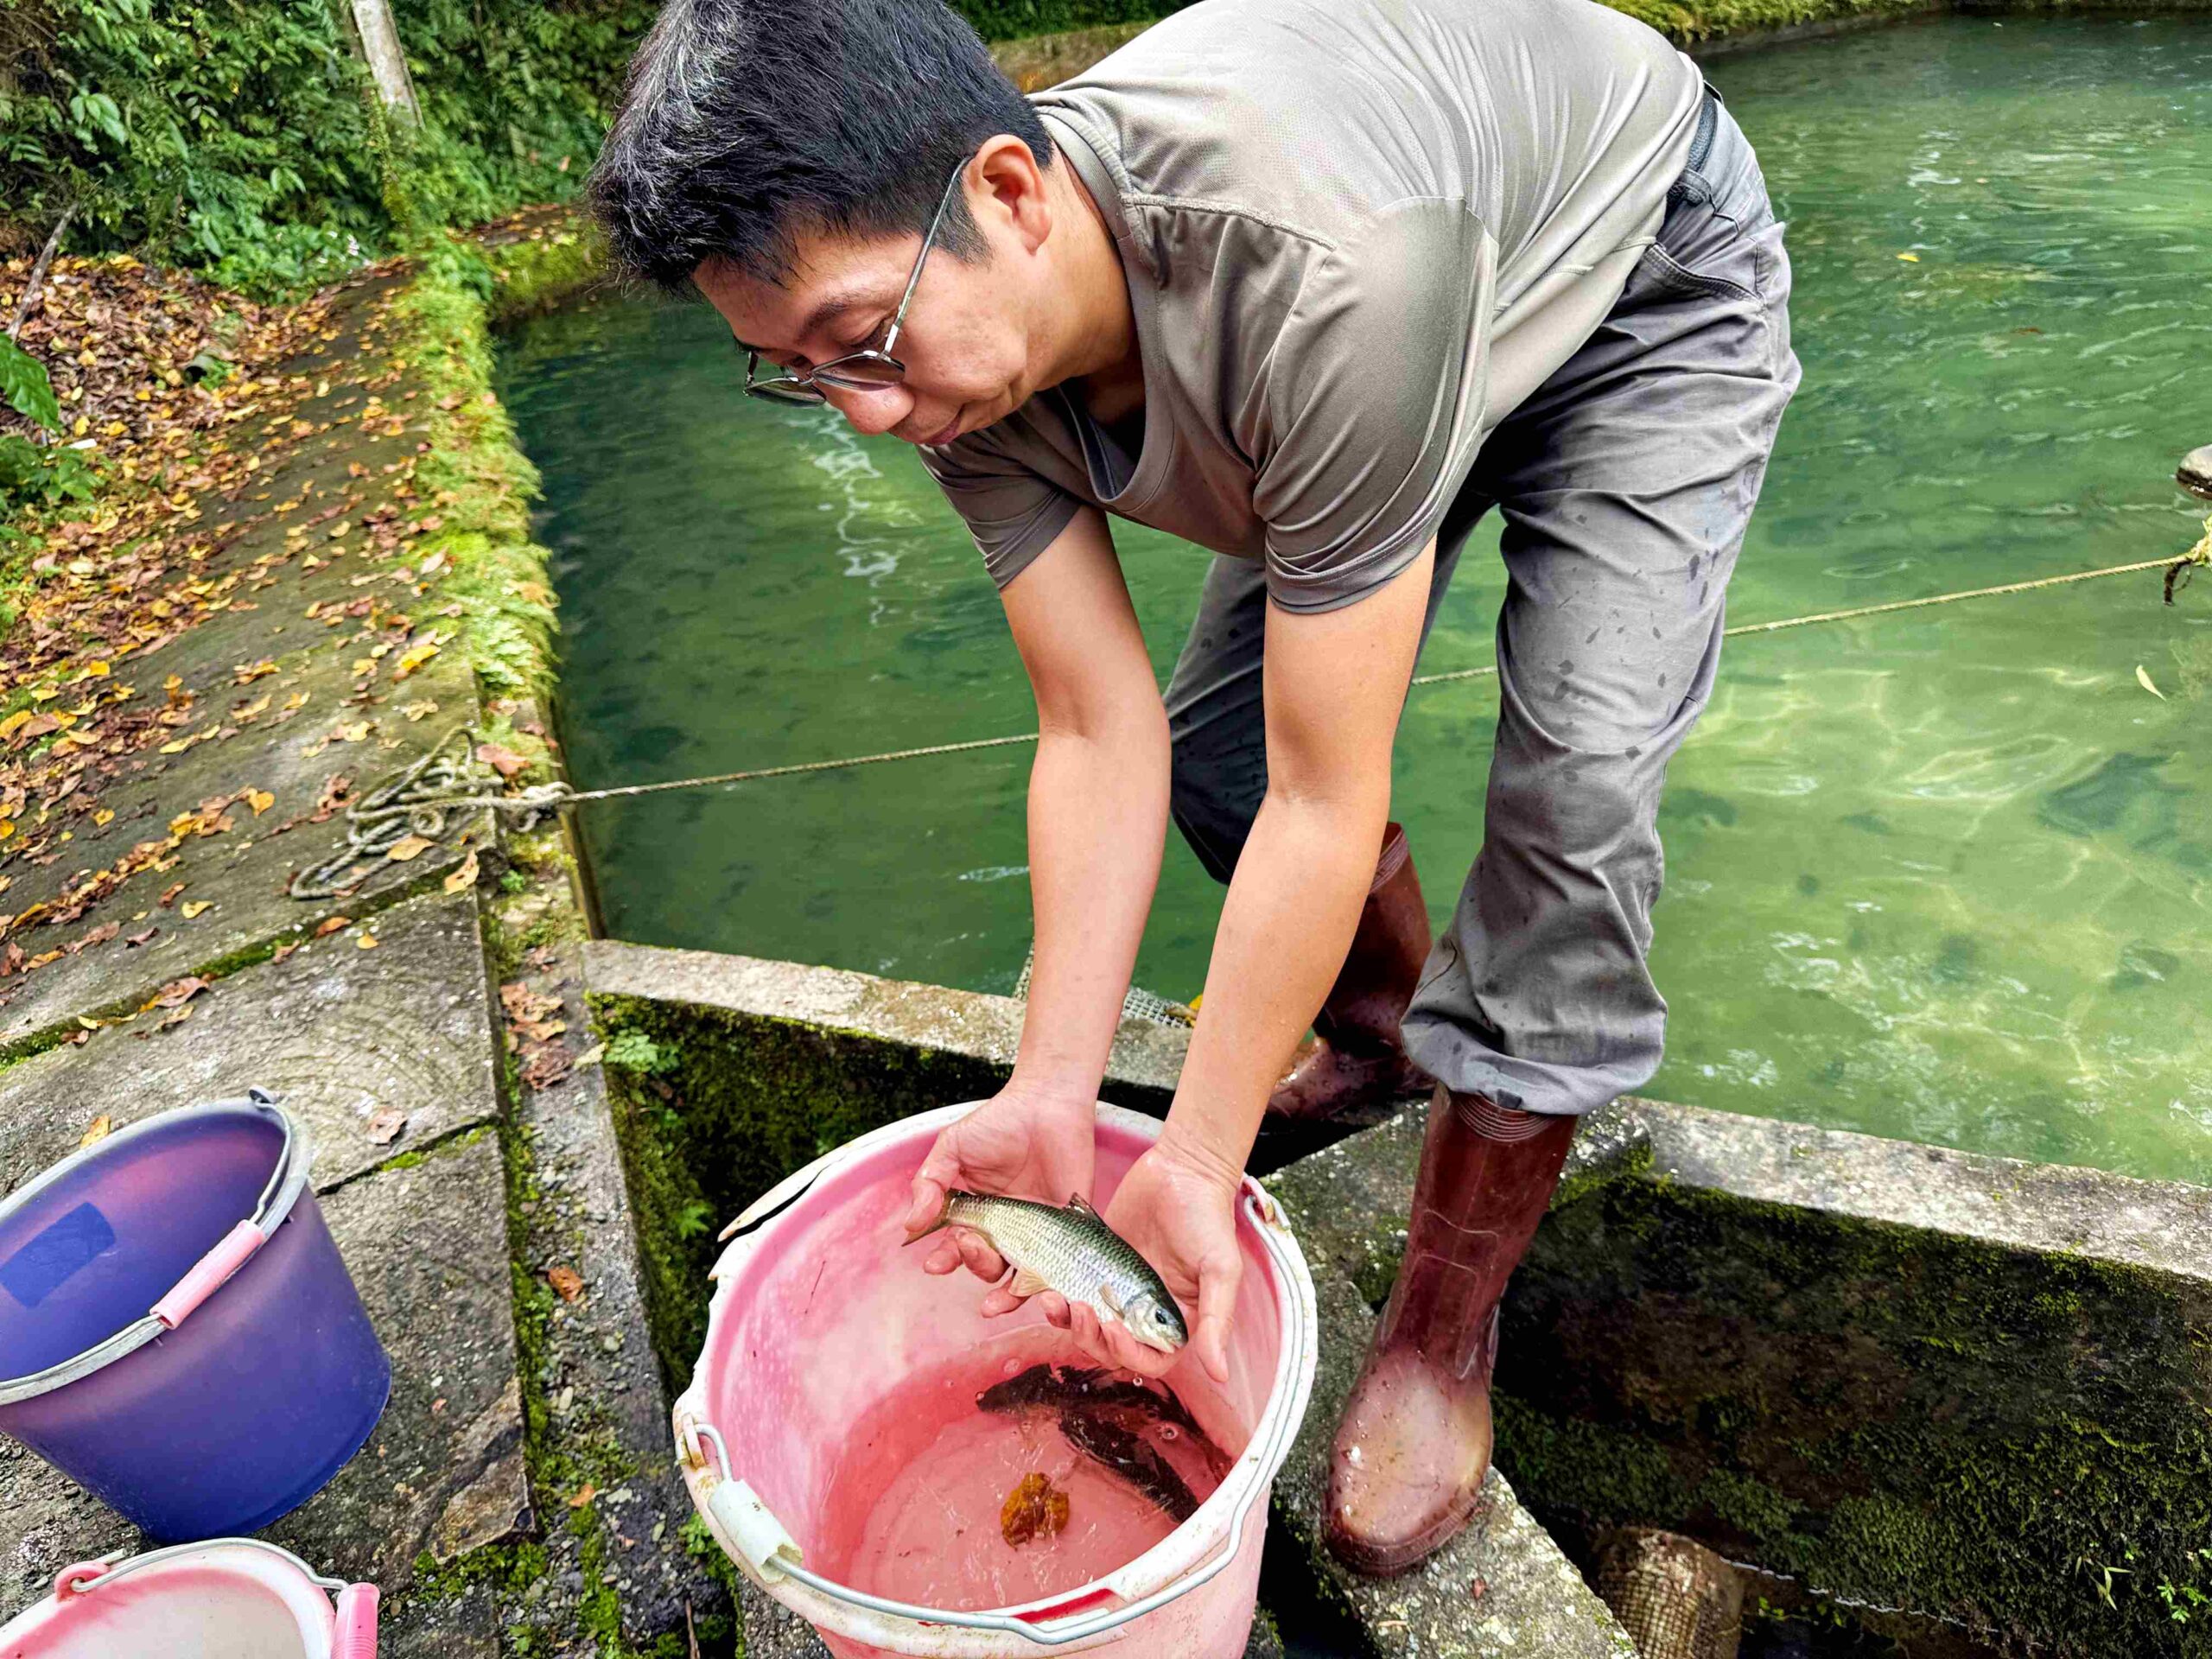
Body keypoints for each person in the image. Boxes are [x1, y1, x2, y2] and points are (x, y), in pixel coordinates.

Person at [590, 0, 1799, 1574]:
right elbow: (1098, 734)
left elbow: (1330, 793)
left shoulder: (1321, 276)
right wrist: (1049, 1095)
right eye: (795, 374)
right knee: (1217, 741)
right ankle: (1380, 1037)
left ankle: (1444, 1327)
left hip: (1632, 275)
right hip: (1404, 285)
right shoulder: (957, 353)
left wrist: (1200, 1158)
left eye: (864, 343)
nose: (867, 411)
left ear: (1012, 195)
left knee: (1570, 803)